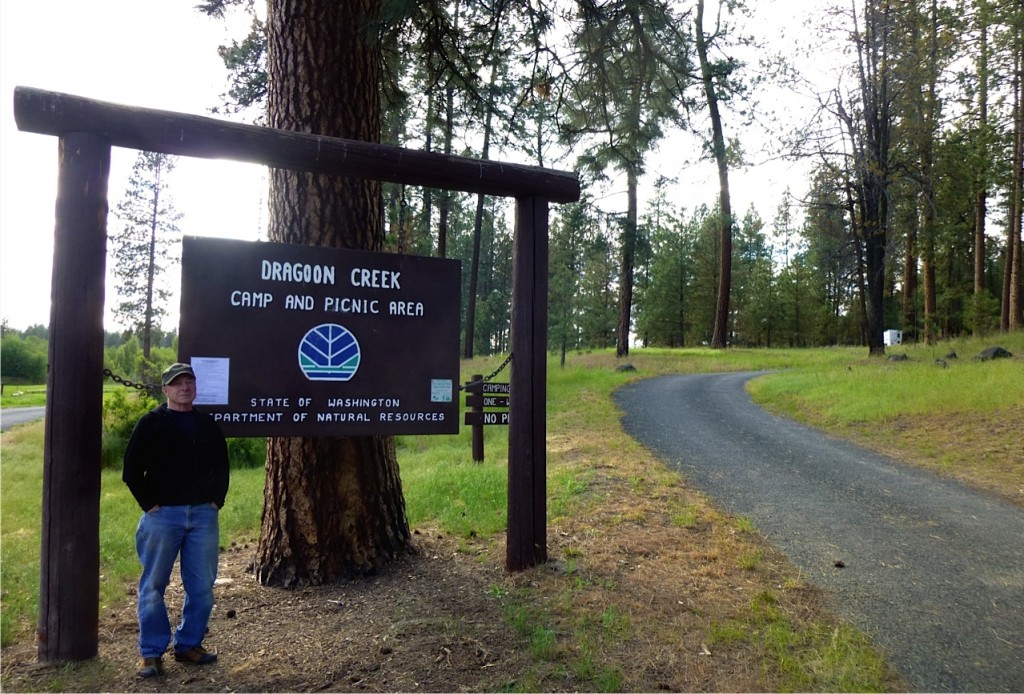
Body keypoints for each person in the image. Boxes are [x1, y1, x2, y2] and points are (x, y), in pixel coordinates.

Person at [122, 362, 230, 679]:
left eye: (189, 382)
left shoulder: (207, 425)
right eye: (177, 383)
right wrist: (151, 504)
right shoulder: (151, 424)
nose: (184, 387)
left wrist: (215, 501)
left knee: (202, 587)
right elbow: (131, 471)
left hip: (202, 516)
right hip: (162, 517)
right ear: (166, 389)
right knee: (153, 587)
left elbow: (222, 467)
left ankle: (188, 645)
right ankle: (151, 653)